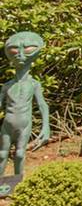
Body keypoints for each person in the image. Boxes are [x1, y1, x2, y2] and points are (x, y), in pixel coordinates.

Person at [1, 31, 50, 182]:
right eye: (15, 50)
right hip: (7, 125)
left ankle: (17, 182)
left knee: (20, 154)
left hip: (24, 124)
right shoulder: (7, 86)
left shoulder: (34, 84)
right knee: (2, 154)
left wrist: (45, 127)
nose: (20, 54)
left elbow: (42, 105)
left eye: (27, 49)